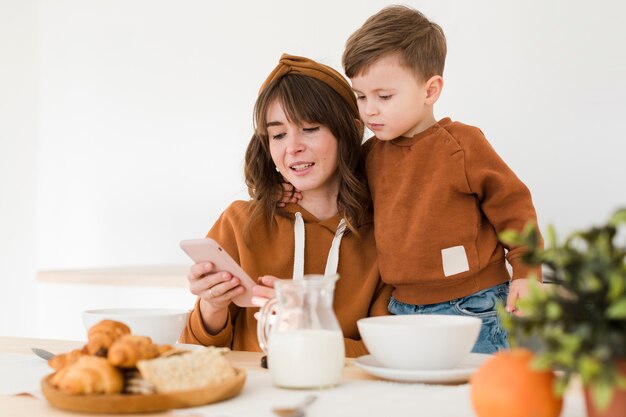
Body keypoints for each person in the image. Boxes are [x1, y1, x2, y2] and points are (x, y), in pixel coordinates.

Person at [340, 5, 542, 354]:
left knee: (476, 399)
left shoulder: (462, 144)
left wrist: (526, 271)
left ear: (430, 90)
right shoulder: (369, 156)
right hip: (402, 310)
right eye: (360, 96)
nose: (369, 109)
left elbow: (514, 207)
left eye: (384, 97)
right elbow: (339, 194)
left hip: (475, 308)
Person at [180, 54, 392, 358]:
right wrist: (212, 306)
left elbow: (388, 355)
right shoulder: (239, 223)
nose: (292, 147)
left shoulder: (385, 235)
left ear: (351, 130)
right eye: (278, 134)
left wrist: (309, 329)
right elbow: (197, 357)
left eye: (310, 128)